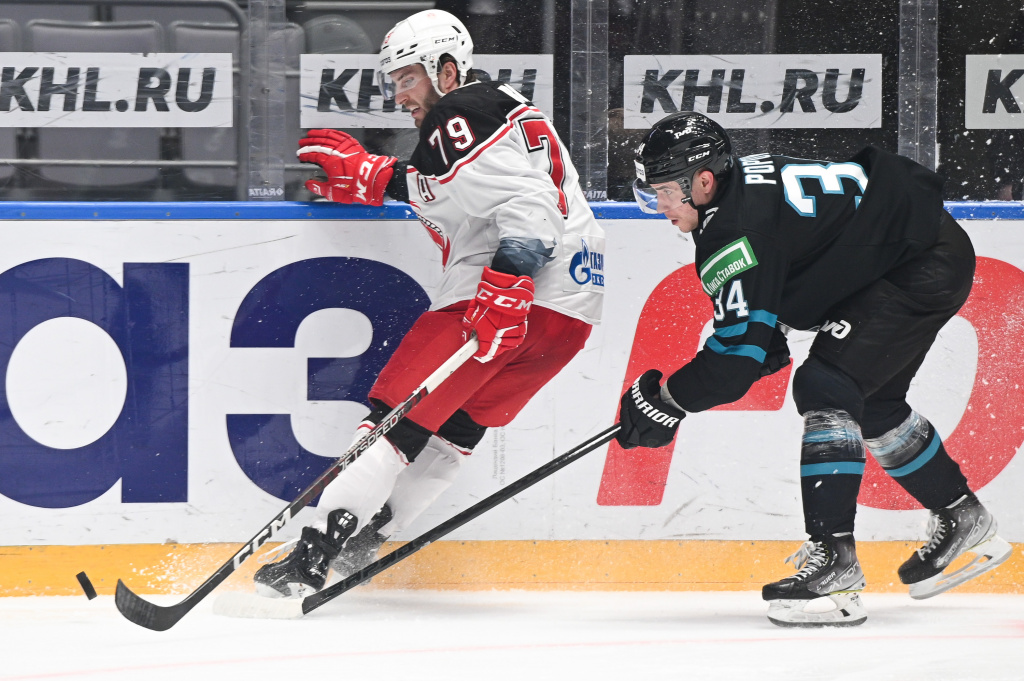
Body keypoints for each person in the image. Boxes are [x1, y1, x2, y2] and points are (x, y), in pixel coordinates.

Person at [253, 9, 604, 598]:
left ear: (446, 70)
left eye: (408, 78)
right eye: (394, 82)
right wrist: (379, 176)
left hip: (505, 295)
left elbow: (530, 208)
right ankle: (365, 541)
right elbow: (467, 193)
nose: (400, 95)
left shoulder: (456, 111)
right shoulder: (501, 111)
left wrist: (507, 285)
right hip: (571, 313)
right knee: (453, 430)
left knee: (393, 420)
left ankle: (310, 559)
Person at [617, 111, 1012, 627]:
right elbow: (803, 248)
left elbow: (734, 364)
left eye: (666, 192)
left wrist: (666, 401)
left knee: (826, 385)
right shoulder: (734, 194)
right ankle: (963, 515)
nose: (660, 207)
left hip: (918, 264)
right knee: (874, 404)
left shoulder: (733, 229)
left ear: (704, 181)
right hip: (915, 247)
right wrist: (767, 330)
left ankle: (835, 563)